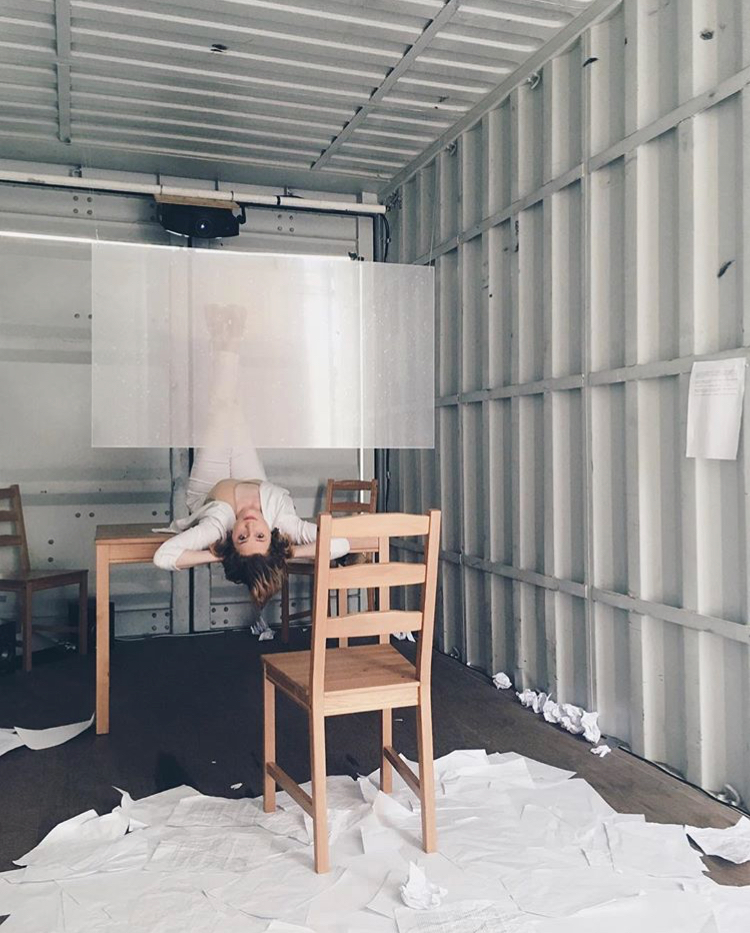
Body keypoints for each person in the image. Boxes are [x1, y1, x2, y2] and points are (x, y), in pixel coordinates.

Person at [152, 302, 349, 617]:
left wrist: (219, 556)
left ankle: (229, 341)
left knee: (221, 409)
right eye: (258, 536)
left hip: (212, 485)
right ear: (271, 538)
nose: (248, 526)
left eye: (241, 538)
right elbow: (340, 545)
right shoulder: (284, 525)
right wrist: (285, 554)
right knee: (234, 407)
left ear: (232, 541)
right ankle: (224, 340)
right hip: (252, 478)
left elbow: (163, 557)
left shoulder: (217, 528)